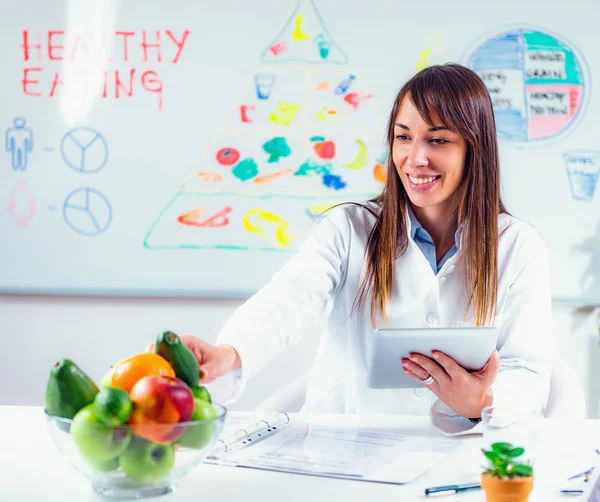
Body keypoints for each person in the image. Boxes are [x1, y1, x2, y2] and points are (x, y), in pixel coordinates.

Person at [150, 63, 553, 433]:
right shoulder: (349, 228)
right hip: (344, 455)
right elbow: (287, 301)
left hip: (458, 459)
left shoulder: (518, 247)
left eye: (438, 140)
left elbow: (528, 371)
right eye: (403, 137)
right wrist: (229, 353)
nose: (416, 158)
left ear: (474, 148)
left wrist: (482, 401)